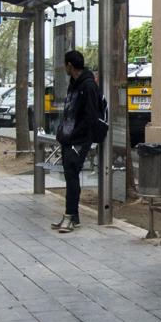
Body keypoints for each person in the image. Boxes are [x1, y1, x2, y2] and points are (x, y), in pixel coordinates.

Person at [55, 50, 100, 233]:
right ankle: (73, 216)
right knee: (69, 176)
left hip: (78, 140)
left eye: (65, 65)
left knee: (72, 176)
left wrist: (73, 137)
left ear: (70, 66)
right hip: (69, 137)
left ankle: (70, 215)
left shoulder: (87, 86)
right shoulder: (74, 84)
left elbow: (91, 116)